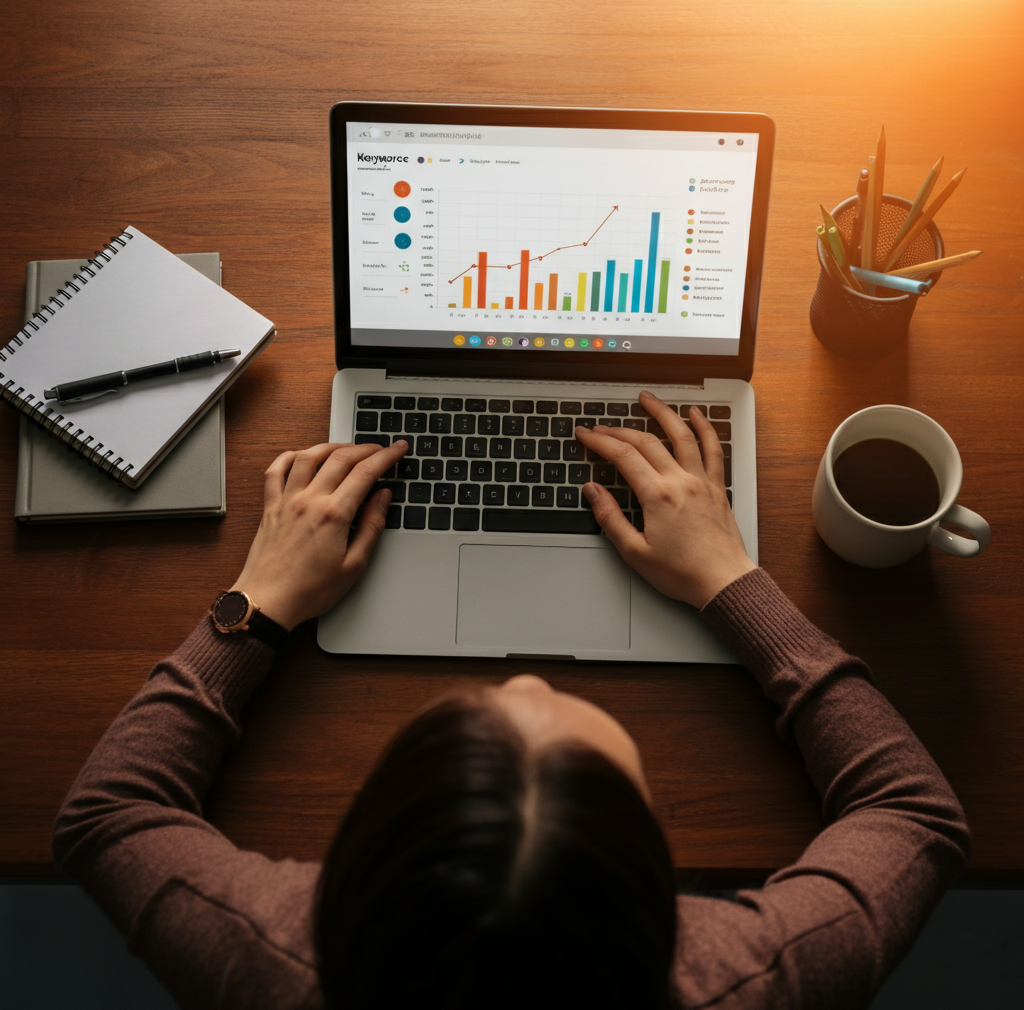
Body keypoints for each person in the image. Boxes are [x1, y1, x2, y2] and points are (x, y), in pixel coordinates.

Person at [52, 392, 969, 1010]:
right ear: (668, 888)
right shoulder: (743, 978)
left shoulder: (276, 957)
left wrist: (254, 602)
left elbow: (106, 815)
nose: (529, 679)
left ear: (359, 842)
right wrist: (732, 579)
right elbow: (915, 814)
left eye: (479, 710)